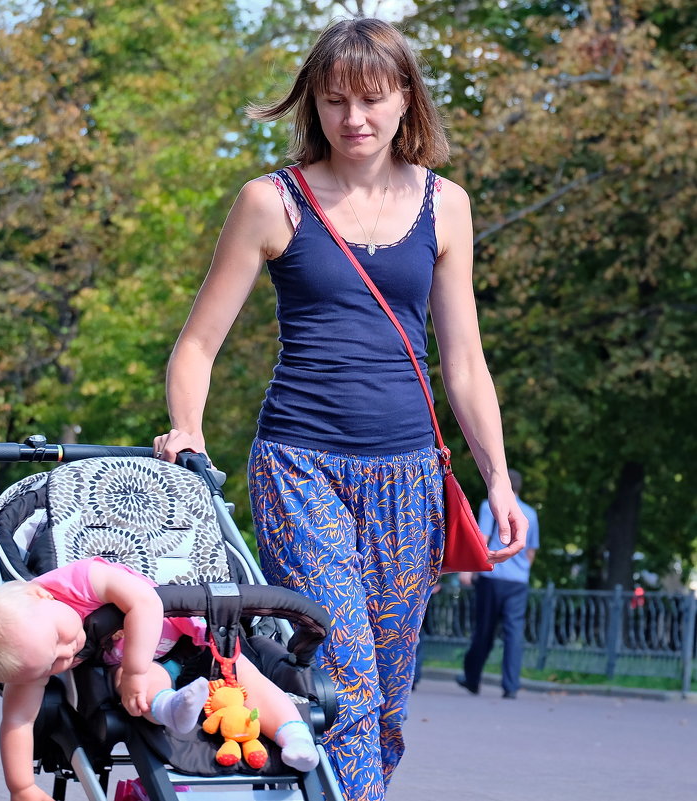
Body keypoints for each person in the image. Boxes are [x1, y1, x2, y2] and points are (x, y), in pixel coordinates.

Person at [151, 17, 527, 801]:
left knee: (387, 697)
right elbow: (196, 344)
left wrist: (497, 477)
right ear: (312, 106)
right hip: (300, 466)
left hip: (410, 478)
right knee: (344, 675)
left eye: (370, 99)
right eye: (333, 101)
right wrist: (188, 425)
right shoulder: (270, 201)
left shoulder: (445, 206)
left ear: (405, 100)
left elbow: (463, 361)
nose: (353, 118)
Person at [0, 556, 319, 801]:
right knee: (139, 689)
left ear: (42, 597)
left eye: (62, 640)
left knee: (242, 674)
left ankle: (290, 731)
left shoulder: (80, 580)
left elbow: (146, 601)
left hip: (187, 636)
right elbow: (17, 721)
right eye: (53, 666)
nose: (68, 654)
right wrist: (21, 787)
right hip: (143, 668)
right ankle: (172, 708)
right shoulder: (32, 654)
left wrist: (132, 667)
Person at [457, 468, 539, 699]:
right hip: (518, 581)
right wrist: (520, 570)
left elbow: (481, 539)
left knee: (484, 629)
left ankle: (472, 679)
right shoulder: (530, 514)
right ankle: (511, 686)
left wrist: (468, 570)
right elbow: (530, 551)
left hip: (492, 578)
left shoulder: (489, 506)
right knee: (513, 633)